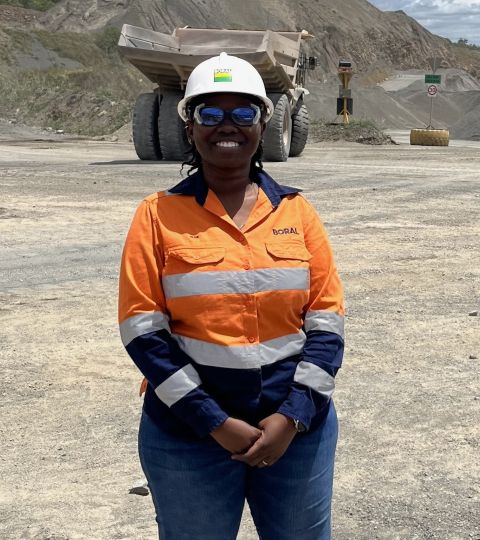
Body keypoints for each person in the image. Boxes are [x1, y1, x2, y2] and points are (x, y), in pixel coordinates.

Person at [118, 52, 344, 540]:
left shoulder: (297, 212)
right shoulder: (157, 215)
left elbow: (326, 321)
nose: (228, 126)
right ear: (190, 126)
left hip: (297, 432)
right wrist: (214, 421)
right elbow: (142, 330)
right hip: (187, 436)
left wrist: (293, 415)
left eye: (243, 113)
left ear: (263, 123)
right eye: (210, 113)